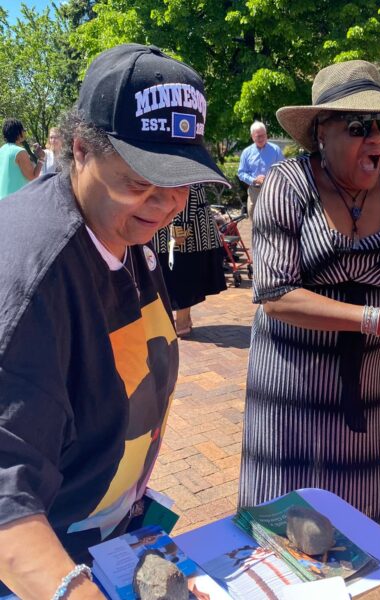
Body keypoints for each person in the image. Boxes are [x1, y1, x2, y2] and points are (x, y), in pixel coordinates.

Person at [0, 44, 228, 600]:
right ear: (79, 150)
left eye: (181, 180)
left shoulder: (122, 230)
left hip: (108, 538)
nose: (165, 201)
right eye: (139, 178)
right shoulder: (33, 276)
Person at [239, 60, 380, 530]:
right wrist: (378, 319)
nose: (377, 139)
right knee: (285, 525)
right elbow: (276, 293)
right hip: (290, 387)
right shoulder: (289, 184)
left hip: (365, 387)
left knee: (358, 527)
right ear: (322, 131)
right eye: (360, 127)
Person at [152, 183, 227, 337]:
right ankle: (182, 321)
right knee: (182, 276)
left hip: (185, 232)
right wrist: (180, 225)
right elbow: (184, 195)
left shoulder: (182, 166)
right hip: (181, 233)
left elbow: (186, 194)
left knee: (182, 276)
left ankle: (182, 321)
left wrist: (181, 225)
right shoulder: (182, 165)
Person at [237, 121, 284, 219]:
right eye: (258, 136)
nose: (262, 138)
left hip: (273, 192)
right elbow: (241, 173)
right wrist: (254, 180)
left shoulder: (276, 150)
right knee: (255, 222)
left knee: (273, 221)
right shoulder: (246, 153)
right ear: (252, 136)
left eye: (264, 135)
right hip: (255, 192)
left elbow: (283, 170)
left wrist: (271, 178)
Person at [0, 118, 45, 199]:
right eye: (23, 130)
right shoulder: (20, 152)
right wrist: (41, 159)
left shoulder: (2, 150)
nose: (25, 132)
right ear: (18, 132)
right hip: (16, 200)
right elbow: (33, 177)